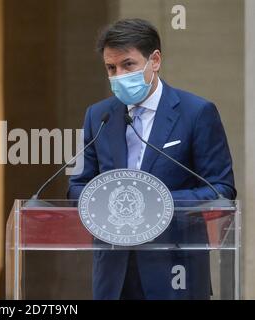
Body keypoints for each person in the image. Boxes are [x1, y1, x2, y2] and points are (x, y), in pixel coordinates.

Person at [67, 18, 236, 300]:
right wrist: (109, 202)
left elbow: (221, 189)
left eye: (128, 65)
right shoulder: (99, 116)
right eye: (111, 67)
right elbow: (77, 186)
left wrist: (154, 202)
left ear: (154, 60)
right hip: (114, 273)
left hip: (175, 266)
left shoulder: (196, 113)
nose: (119, 75)